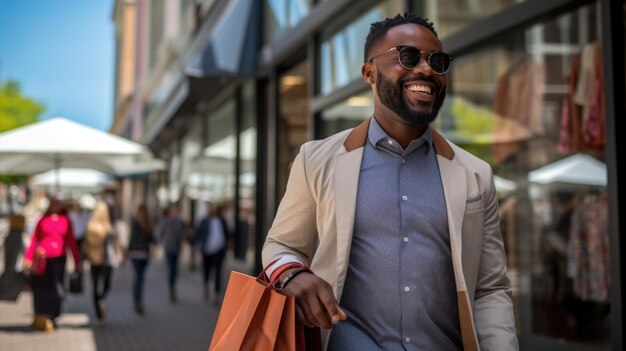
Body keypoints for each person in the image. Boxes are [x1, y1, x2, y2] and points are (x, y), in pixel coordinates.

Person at [262, 13, 518, 351]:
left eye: (436, 61)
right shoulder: (316, 160)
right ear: (369, 72)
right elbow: (281, 244)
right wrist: (295, 274)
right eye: (408, 56)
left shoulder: (475, 174)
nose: (426, 69)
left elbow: (490, 288)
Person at [23, 198, 80, 331]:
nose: (57, 205)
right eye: (55, 203)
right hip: (42, 259)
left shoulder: (66, 221)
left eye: (59, 203)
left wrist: (76, 260)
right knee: (41, 288)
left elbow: (71, 241)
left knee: (57, 288)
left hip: (58, 259)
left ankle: (53, 314)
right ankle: (41, 316)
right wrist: (28, 257)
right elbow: (34, 239)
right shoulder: (43, 219)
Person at [83, 200, 122, 321]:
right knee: (106, 284)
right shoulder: (108, 227)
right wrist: (118, 255)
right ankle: (102, 299)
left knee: (95, 286)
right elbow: (114, 244)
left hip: (94, 260)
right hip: (107, 260)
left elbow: (86, 244)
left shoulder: (90, 226)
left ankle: (98, 312)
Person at [193, 203, 228, 305]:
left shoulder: (222, 221)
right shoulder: (205, 221)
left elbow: (227, 234)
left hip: (219, 250)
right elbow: (198, 233)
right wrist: (193, 244)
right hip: (207, 250)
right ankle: (206, 288)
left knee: (217, 272)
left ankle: (216, 294)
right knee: (207, 271)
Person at [126, 204, 154, 315]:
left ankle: (136, 301)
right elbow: (152, 239)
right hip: (144, 254)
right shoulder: (148, 224)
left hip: (135, 254)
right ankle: (139, 300)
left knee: (138, 277)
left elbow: (131, 238)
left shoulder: (135, 223)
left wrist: (128, 250)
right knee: (140, 277)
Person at [157, 204, 185, 303]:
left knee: (175, 270)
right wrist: (158, 244)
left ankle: (173, 287)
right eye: (173, 211)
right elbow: (161, 233)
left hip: (176, 249)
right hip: (168, 248)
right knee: (171, 268)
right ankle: (171, 289)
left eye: (176, 211)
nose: (175, 213)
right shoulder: (166, 221)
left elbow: (182, 234)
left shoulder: (180, 222)